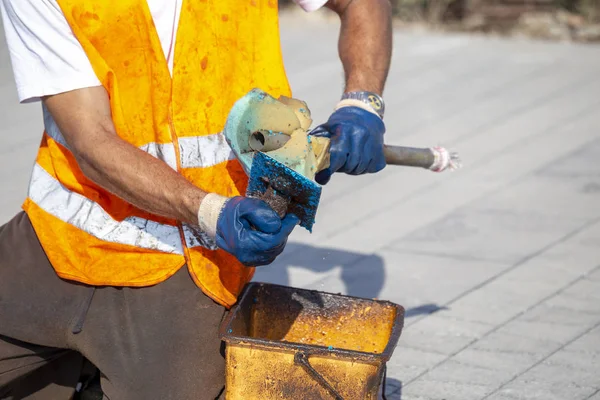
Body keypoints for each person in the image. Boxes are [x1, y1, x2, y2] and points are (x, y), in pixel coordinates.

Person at [0, 0, 392, 398]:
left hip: (184, 262)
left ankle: (87, 369)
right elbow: (91, 139)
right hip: (56, 243)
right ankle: (77, 364)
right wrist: (212, 212)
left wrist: (362, 103)